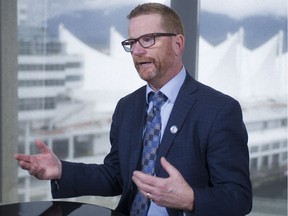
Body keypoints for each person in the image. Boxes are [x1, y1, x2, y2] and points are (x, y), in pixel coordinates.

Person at [15, 3, 252, 216]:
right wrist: (62, 171)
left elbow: (238, 199)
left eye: (148, 39)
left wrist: (190, 199)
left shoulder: (220, 110)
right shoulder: (127, 107)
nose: (137, 51)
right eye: (132, 42)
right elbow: (117, 176)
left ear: (178, 44)